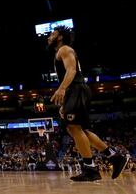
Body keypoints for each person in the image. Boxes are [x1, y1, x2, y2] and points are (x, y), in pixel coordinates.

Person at [48, 26, 129, 181]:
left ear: (59, 37)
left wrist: (62, 89)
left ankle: (91, 169)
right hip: (75, 91)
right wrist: (65, 102)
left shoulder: (64, 49)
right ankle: (114, 156)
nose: (48, 37)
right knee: (77, 129)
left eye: (52, 34)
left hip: (76, 89)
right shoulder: (61, 51)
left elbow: (71, 70)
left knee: (73, 127)